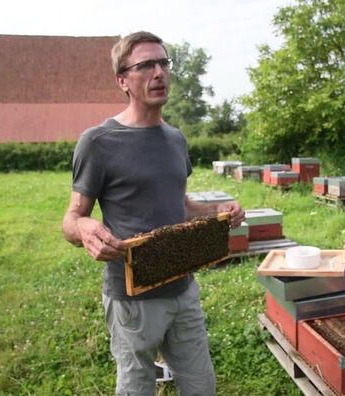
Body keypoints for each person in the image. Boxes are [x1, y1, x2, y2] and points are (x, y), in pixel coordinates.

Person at [62, 31, 245, 396]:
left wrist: (218, 210)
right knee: (136, 389)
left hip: (183, 288)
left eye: (163, 63)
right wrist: (84, 227)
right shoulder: (98, 141)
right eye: (146, 65)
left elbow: (181, 206)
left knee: (202, 386)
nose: (159, 72)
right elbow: (71, 218)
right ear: (122, 81)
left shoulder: (175, 138)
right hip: (133, 301)